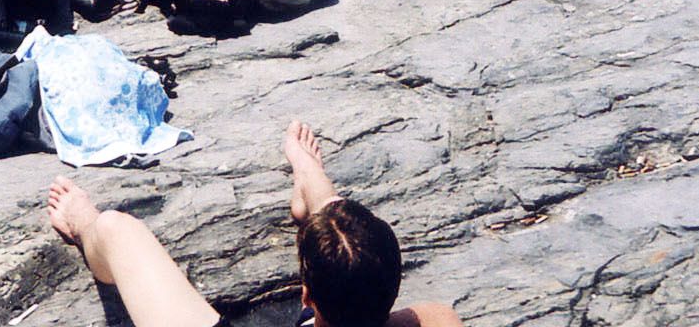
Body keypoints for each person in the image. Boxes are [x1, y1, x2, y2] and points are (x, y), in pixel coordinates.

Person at [44, 121, 461, 327]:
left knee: (115, 229)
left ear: (305, 295)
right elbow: (431, 315)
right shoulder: (441, 320)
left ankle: (82, 224)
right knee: (347, 240)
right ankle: (309, 177)